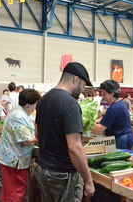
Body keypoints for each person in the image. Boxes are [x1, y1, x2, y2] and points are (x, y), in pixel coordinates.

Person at [34, 62, 95, 201]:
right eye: (83, 85)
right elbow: (74, 147)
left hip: (43, 169)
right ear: (75, 80)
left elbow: (37, 133)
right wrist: (88, 180)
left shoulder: (43, 100)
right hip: (63, 174)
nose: (83, 90)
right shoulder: (70, 104)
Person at [0, 89, 41, 202]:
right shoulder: (18, 116)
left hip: (10, 159)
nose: (35, 107)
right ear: (28, 104)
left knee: (8, 192)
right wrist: (40, 135)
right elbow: (27, 141)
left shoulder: (18, 111)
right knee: (15, 192)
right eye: (35, 103)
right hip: (14, 161)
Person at [91, 80, 133, 150]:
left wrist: (84, 125)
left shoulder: (114, 108)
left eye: (104, 93)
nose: (102, 96)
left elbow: (99, 129)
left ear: (112, 93)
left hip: (122, 141)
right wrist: (94, 121)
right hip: (126, 139)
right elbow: (104, 119)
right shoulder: (119, 104)